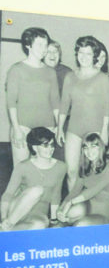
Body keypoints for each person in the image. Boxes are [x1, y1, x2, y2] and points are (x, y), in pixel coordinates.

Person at [57, 35, 109, 189]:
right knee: (71, 171)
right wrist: (60, 128)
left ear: (94, 56)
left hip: (95, 129)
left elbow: (108, 106)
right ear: (77, 54)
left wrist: (104, 131)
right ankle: (70, 204)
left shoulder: (102, 78)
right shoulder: (70, 77)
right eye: (81, 53)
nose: (84, 57)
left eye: (88, 54)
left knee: (94, 172)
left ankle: (93, 207)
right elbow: (64, 104)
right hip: (74, 129)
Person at [5, 27, 60, 165]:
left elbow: (55, 101)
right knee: (21, 169)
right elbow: (11, 102)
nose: (44, 49)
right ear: (28, 45)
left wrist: (58, 125)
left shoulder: (50, 72)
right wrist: (16, 128)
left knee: (42, 169)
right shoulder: (16, 70)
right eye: (39, 45)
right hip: (23, 125)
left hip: (46, 125)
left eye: (45, 45)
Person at [0, 128, 66, 231]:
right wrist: (4, 218)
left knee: (39, 225)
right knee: (37, 190)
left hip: (38, 213)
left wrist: (54, 221)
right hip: (17, 209)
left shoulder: (61, 167)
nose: (50, 149)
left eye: (52, 145)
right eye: (45, 145)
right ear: (35, 147)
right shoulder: (23, 166)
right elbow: (8, 194)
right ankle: (8, 224)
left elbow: (56, 195)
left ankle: (5, 231)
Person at [56, 132, 109, 226]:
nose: (89, 151)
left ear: (100, 148)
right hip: (88, 206)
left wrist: (70, 203)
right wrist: (61, 208)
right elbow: (75, 190)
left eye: (93, 146)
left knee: (80, 225)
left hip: (104, 212)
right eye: (86, 148)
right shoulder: (85, 167)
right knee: (69, 213)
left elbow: (93, 190)